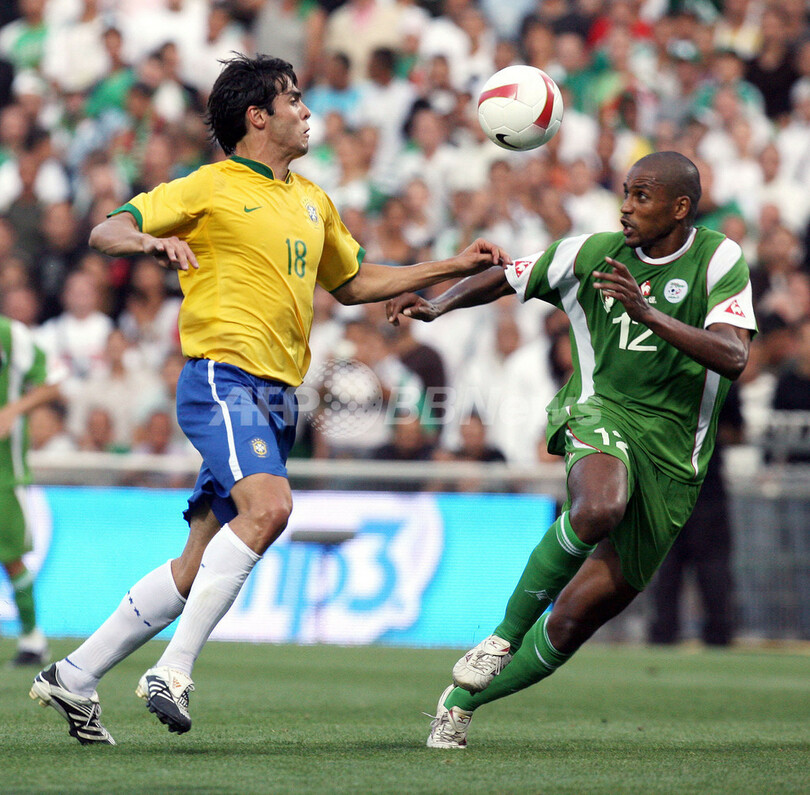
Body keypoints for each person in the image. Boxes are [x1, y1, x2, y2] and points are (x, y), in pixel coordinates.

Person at [28, 54, 505, 747]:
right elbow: (107, 230)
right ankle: (173, 670)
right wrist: (149, 242)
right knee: (272, 508)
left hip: (277, 399)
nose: (307, 111)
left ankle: (74, 674)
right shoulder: (209, 185)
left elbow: (353, 281)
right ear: (258, 117)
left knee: (194, 566)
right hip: (222, 381)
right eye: (294, 99)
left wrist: (451, 265)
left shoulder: (312, 200)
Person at [386, 151, 757, 749]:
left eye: (642, 196)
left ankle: (458, 704)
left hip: (675, 460)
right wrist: (439, 303)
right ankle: (501, 638)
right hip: (600, 410)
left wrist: (646, 311)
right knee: (599, 505)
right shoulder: (591, 253)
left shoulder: (719, 258)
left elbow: (734, 356)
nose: (626, 207)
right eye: (626, 192)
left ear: (680, 207)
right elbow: (510, 276)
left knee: (571, 621)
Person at [0, 314, 63, 666]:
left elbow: (53, 383)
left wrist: (13, 409)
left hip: (4, 470)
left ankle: (32, 638)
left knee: (10, 556)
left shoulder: (11, 335)